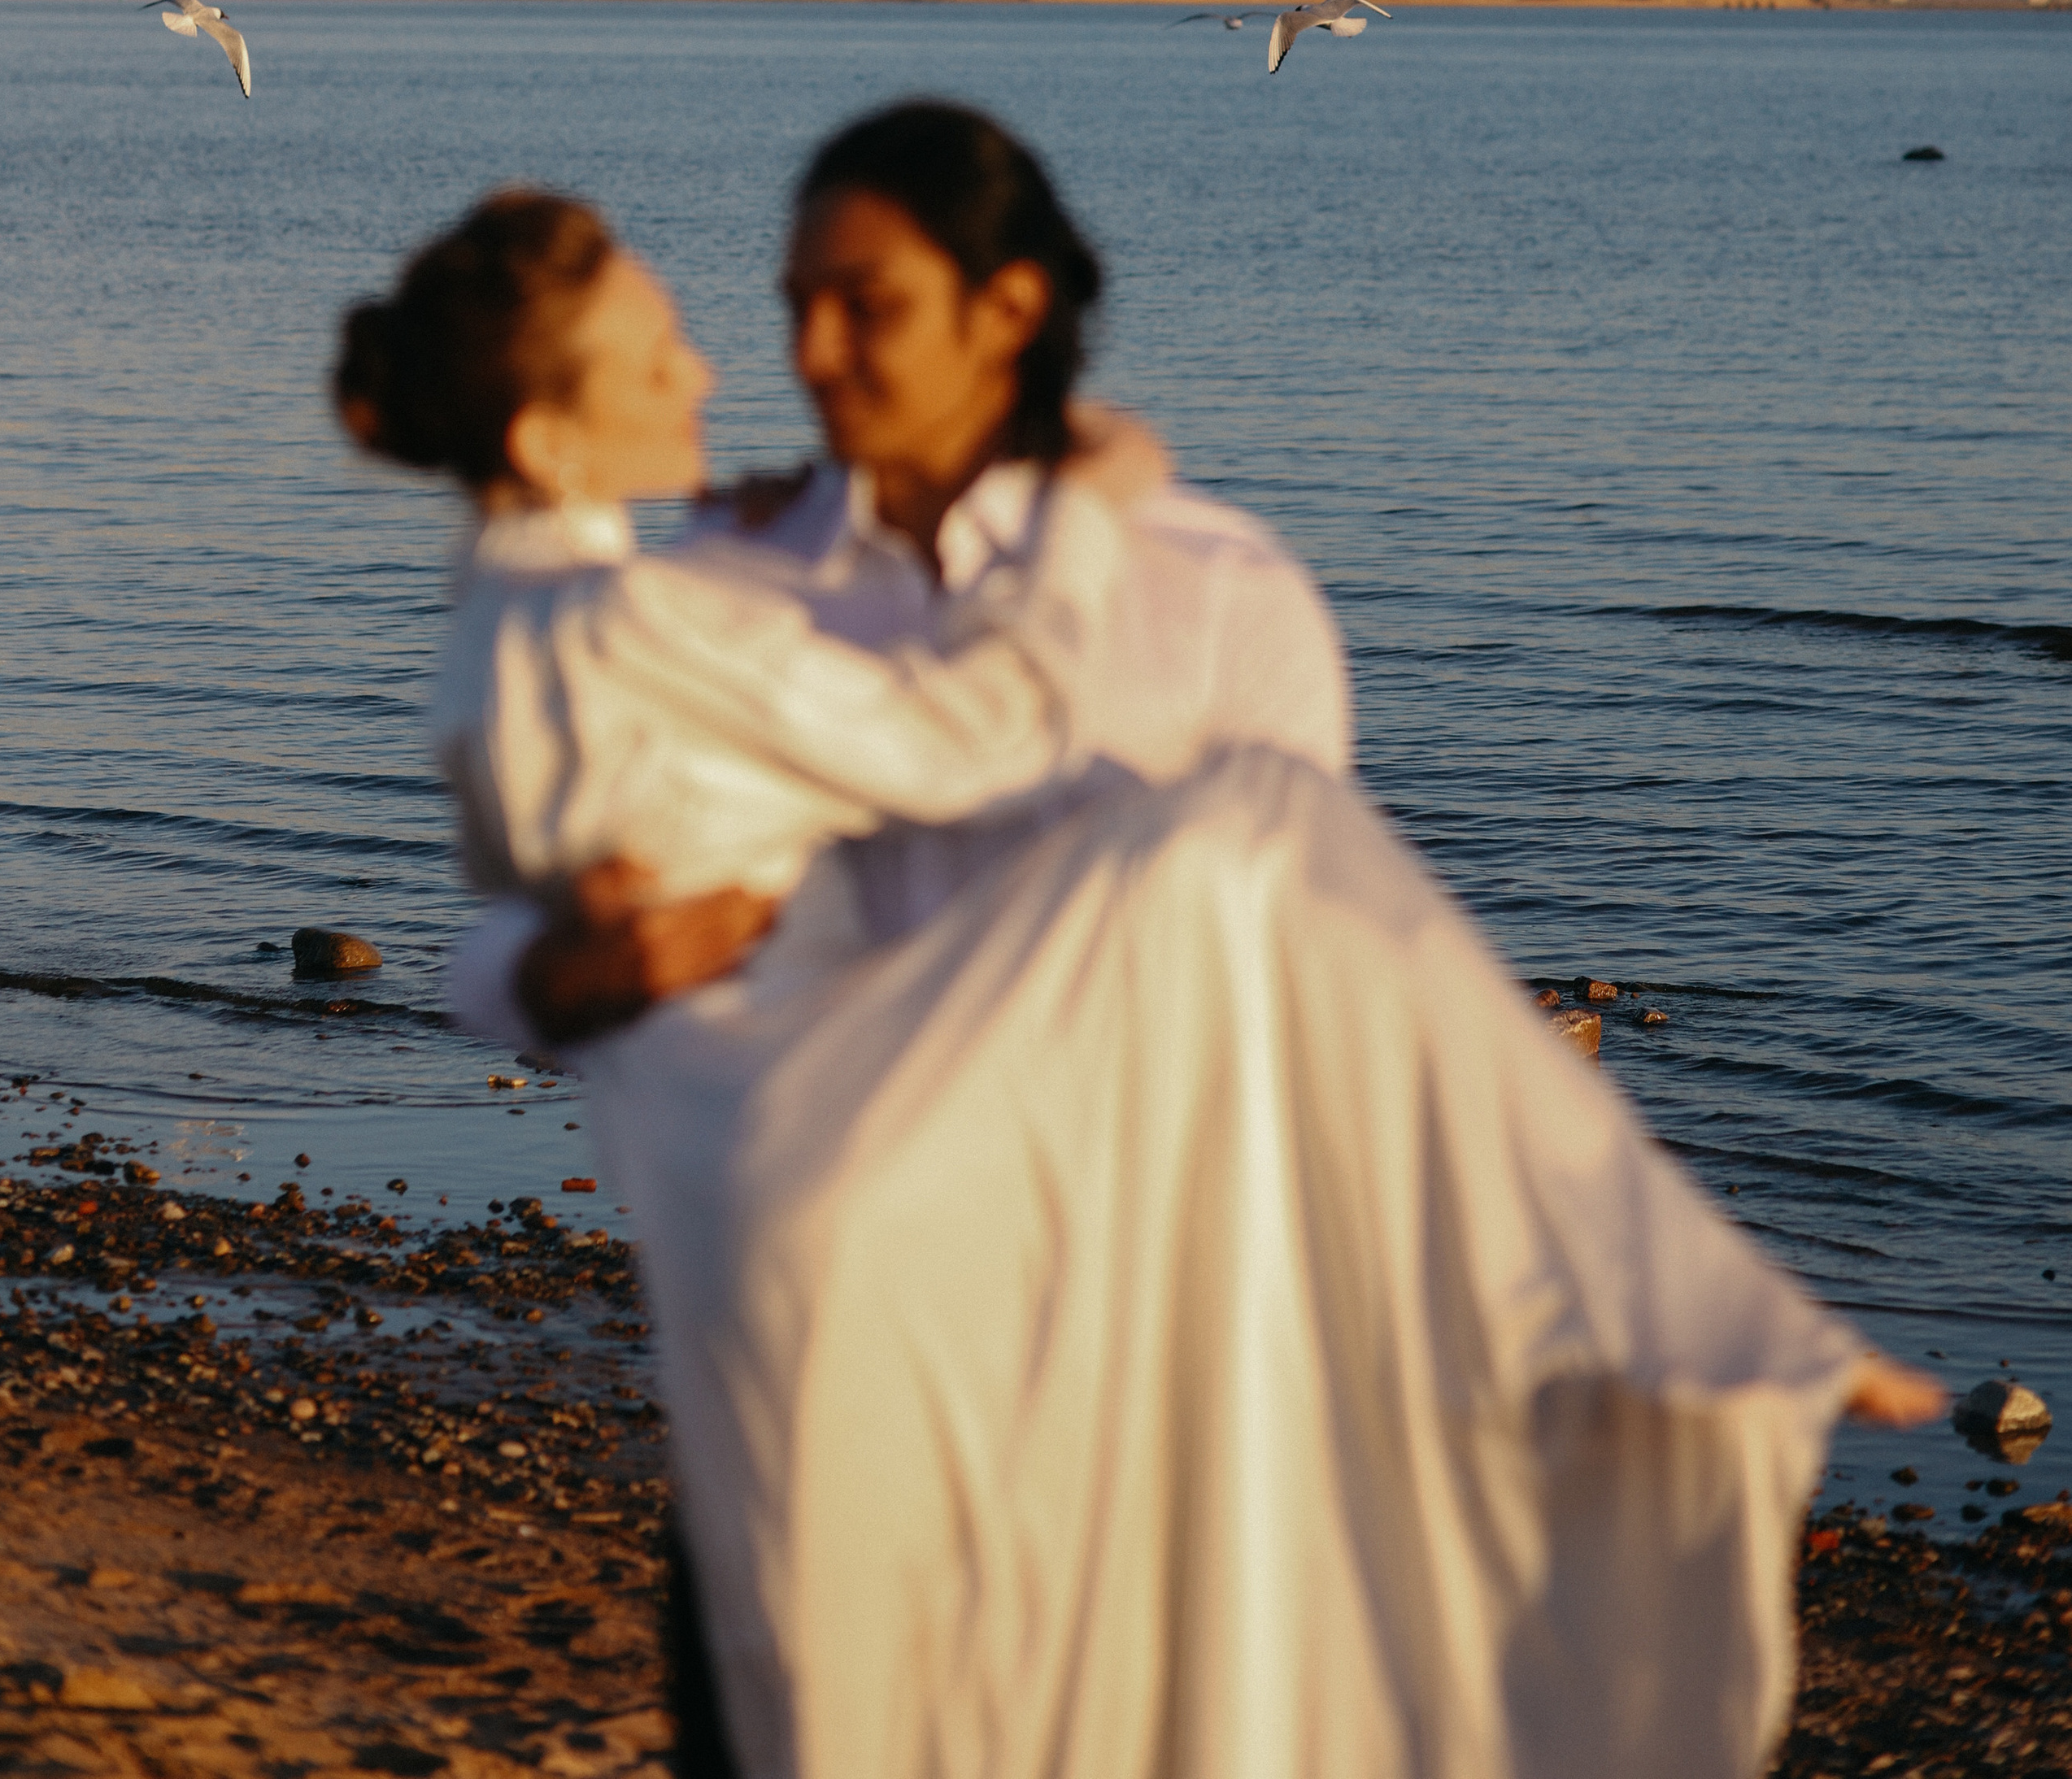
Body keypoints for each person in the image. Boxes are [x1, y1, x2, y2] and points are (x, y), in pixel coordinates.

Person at [359, 115, 1939, 1779]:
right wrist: (564, 979)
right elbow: (534, 913)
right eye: (792, 302)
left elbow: (1315, 998)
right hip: (845, 1326)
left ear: (1009, 306)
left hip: (1125, 1359)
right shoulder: (732, 575)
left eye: (866, 303)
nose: (808, 355)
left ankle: (1676, 1309)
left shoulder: (1214, 595)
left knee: (1254, 832)